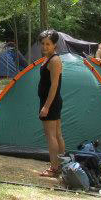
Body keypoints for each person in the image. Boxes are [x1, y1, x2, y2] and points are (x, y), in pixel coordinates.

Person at [37, 30, 65, 178]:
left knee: (52, 136)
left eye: (48, 44)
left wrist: (46, 106)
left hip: (51, 102)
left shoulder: (54, 60)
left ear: (55, 45)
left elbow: (54, 86)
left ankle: (54, 168)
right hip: (51, 102)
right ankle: (60, 165)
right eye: (43, 44)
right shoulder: (48, 59)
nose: (45, 47)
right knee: (57, 134)